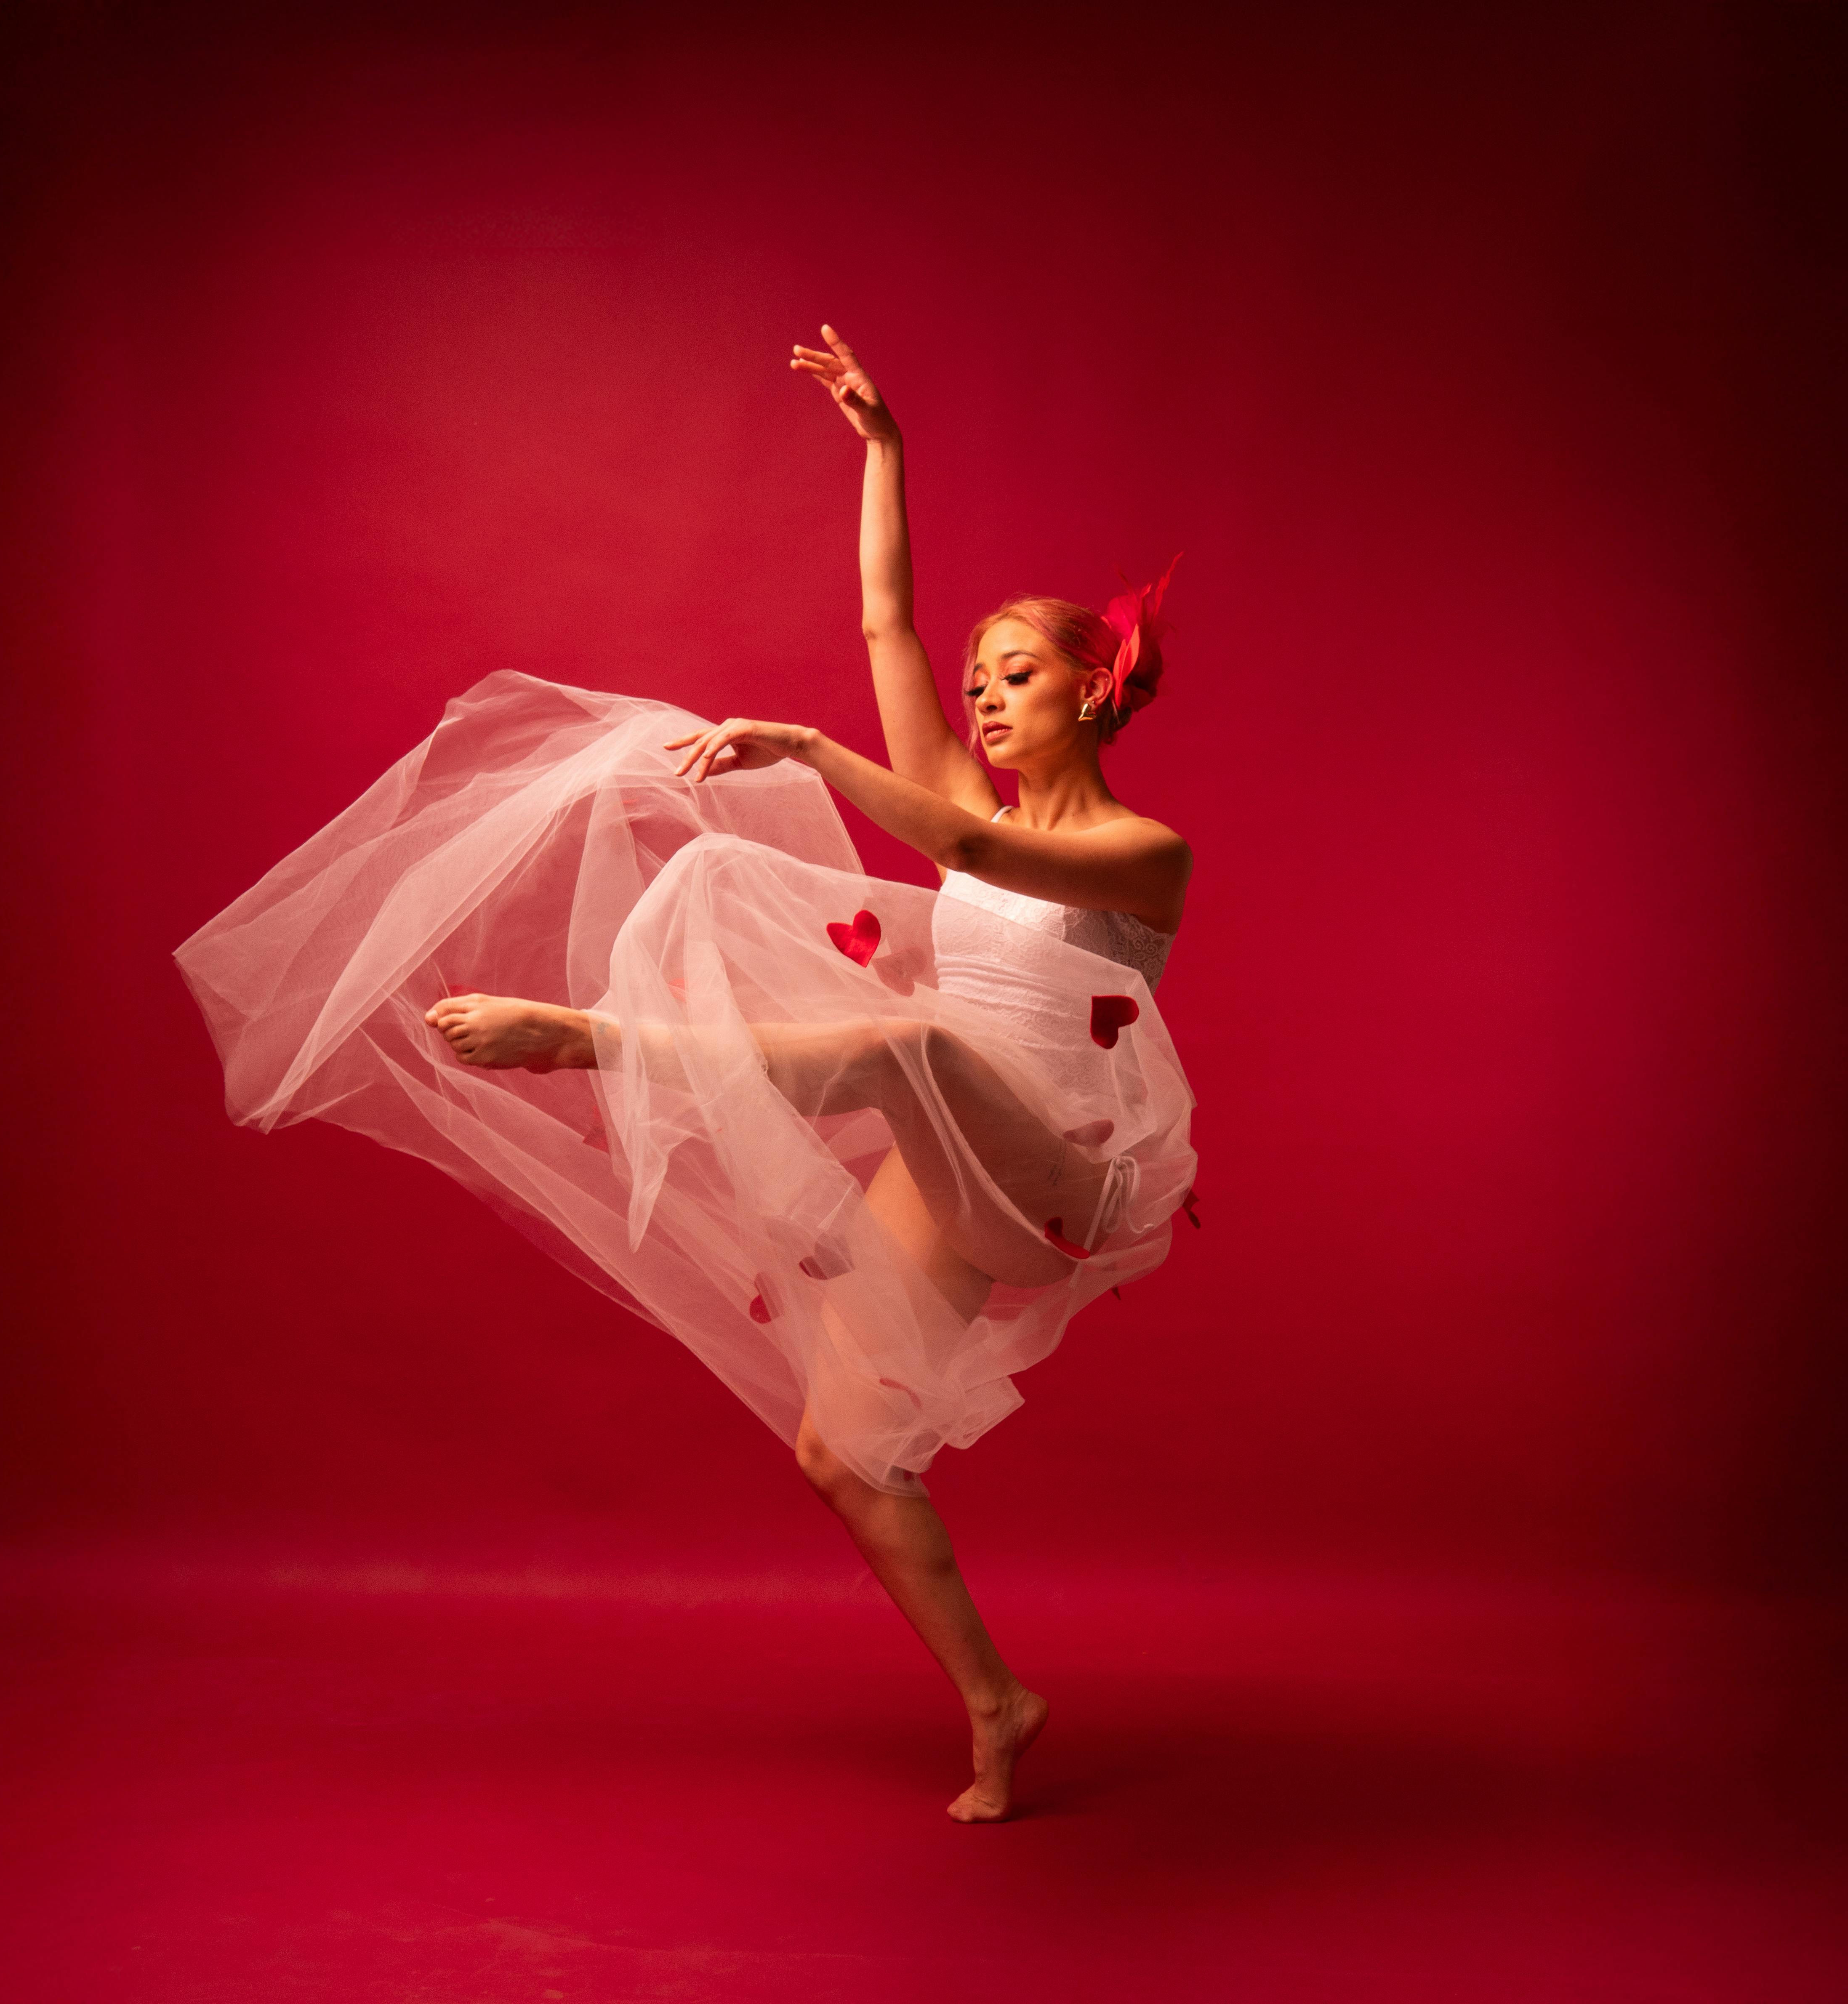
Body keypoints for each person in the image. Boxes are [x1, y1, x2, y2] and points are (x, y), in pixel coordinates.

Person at [176, 328, 1197, 1821]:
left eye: (1016, 675)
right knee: (840, 1452)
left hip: (1058, 1169)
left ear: (1096, 694)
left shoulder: (1139, 855)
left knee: (909, 1036)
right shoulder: (975, 783)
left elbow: (976, 851)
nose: (980, 701)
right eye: (979, 682)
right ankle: (1000, 1700)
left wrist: (802, 750)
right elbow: (886, 629)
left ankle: (586, 1038)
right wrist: (882, 450)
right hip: (953, 1149)